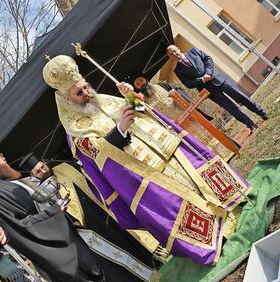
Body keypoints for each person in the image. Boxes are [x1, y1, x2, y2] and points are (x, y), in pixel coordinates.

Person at [42, 55, 253, 265]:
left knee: (195, 179)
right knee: (182, 199)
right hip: (144, 172)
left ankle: (231, 209)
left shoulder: (106, 99)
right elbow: (98, 157)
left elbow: (144, 112)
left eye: (86, 87)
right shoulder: (76, 131)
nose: (87, 93)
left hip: (164, 148)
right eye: (79, 93)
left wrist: (131, 96)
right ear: (67, 99)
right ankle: (213, 236)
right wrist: (121, 129)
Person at [0, 140, 105, 282]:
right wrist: (55, 212)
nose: (4, 158)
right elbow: (17, 231)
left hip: (74, 239)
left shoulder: (6, 184)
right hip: (63, 257)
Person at [18, 153, 165, 282]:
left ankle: (152, 262)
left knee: (126, 237)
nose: (43, 170)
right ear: (33, 175)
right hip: (89, 229)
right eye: (38, 171)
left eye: (43, 166)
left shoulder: (65, 168)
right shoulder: (41, 197)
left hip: (99, 209)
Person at [166, 45, 268, 133]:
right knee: (230, 107)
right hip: (209, 90)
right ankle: (250, 124)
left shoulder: (194, 51)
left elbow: (208, 59)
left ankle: (261, 112)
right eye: (171, 53)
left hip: (219, 79)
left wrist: (208, 73)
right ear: (170, 57)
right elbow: (188, 84)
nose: (174, 53)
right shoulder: (178, 70)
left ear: (178, 49)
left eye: (174, 50)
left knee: (240, 96)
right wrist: (202, 79)